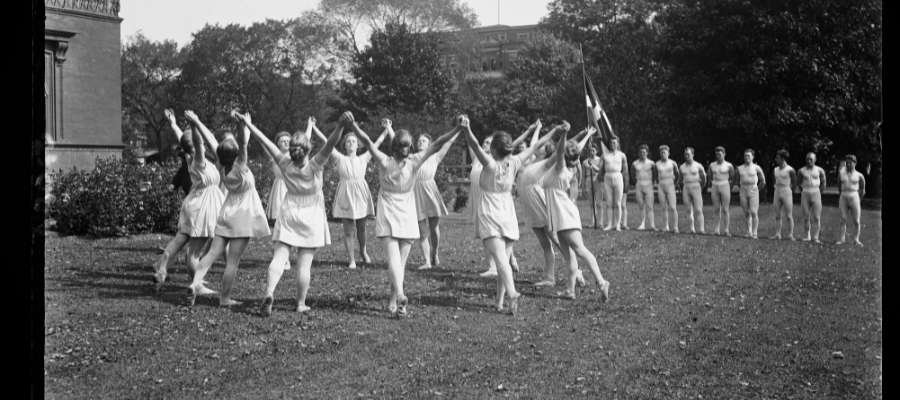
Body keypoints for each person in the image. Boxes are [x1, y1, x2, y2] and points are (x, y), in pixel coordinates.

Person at [353, 114, 460, 317]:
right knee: (399, 261)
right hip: (407, 210)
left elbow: (367, 141)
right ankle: (396, 301)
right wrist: (456, 129)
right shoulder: (414, 161)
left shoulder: (385, 160)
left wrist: (352, 125)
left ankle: (398, 298)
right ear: (408, 147)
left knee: (394, 259)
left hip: (390, 209)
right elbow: (437, 144)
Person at [239, 111, 343, 316]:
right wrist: (340, 126)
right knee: (304, 264)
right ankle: (300, 303)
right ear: (308, 149)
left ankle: (269, 292)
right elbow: (330, 144)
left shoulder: (284, 162)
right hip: (311, 214)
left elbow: (265, 140)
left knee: (279, 256)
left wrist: (248, 125)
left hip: (289, 211)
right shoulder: (314, 164)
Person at [461, 114, 558, 315]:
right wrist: (555, 131)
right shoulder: (514, 161)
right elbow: (537, 143)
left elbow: (475, 145)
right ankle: (499, 302)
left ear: (494, 149)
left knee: (501, 260)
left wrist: (467, 128)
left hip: (490, 212)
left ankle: (512, 292)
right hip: (507, 211)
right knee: (503, 259)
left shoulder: (489, 163)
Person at [190, 111, 271, 307]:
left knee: (211, 254)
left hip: (226, 213)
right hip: (242, 216)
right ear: (236, 155)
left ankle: (194, 284)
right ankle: (224, 298)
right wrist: (244, 126)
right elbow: (243, 144)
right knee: (232, 261)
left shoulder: (223, 166)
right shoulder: (240, 166)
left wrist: (197, 121)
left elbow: (211, 141)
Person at [151, 109, 224, 294]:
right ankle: (196, 285)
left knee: (181, 240)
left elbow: (185, 140)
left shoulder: (189, 156)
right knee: (194, 251)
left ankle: (162, 267)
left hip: (195, 202)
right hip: (203, 206)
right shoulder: (198, 159)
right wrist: (194, 124)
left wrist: (174, 124)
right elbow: (198, 143)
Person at [536, 128, 611, 300]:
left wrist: (563, 134)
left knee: (579, 250)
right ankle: (570, 290)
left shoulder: (559, 168)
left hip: (565, 214)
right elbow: (574, 149)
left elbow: (565, 149)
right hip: (561, 215)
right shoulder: (566, 165)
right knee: (569, 255)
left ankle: (601, 281)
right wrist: (586, 135)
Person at [310, 118, 389, 270]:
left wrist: (386, 130)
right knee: (348, 229)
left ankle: (363, 251)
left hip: (360, 193)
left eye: (354, 141)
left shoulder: (364, 157)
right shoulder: (340, 158)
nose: (351, 143)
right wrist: (314, 127)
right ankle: (351, 259)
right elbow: (327, 142)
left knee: (361, 227)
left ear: (358, 145)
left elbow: (376, 144)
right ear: (344, 146)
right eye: (348, 141)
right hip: (345, 193)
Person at [518, 126, 592, 287]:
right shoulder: (532, 160)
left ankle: (576, 272)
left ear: (548, 150)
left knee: (555, 237)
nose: (539, 145)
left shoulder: (549, 162)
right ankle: (549, 277)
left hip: (537, 198)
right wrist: (578, 133)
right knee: (544, 242)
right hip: (528, 202)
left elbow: (569, 148)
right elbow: (538, 142)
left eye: (544, 146)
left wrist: (580, 135)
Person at [410, 129, 461, 270]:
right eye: (419, 140)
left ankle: (435, 252)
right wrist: (389, 129)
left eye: (424, 140)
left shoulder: (435, 156)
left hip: (430, 191)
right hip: (415, 192)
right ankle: (426, 261)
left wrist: (458, 131)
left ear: (429, 144)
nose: (420, 142)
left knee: (434, 227)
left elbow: (447, 144)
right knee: (421, 230)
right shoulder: (412, 157)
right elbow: (397, 142)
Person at [598, 138, 629, 231]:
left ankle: (618, 224)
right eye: (611, 143)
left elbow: (625, 170)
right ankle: (610, 224)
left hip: (618, 176)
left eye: (614, 143)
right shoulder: (604, 155)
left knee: (618, 202)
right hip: (607, 177)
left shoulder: (622, 155)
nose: (612, 144)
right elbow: (600, 169)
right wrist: (600, 179)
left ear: (618, 144)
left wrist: (624, 181)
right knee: (609, 202)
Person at [837, 154, 866, 246]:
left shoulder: (859, 175)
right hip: (844, 196)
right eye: (847, 163)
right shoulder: (841, 173)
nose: (848, 165)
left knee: (857, 220)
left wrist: (859, 198)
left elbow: (863, 189)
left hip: (854, 196)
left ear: (855, 163)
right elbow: (838, 185)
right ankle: (842, 239)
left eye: (850, 163)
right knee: (843, 219)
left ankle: (856, 239)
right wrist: (841, 194)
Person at [265, 131, 292, 225]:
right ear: (278, 144)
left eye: (288, 140)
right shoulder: (274, 156)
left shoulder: (294, 155)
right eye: (283, 141)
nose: (286, 142)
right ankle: (278, 220)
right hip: (279, 183)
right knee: (278, 202)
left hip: (291, 183)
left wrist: (310, 126)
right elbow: (264, 143)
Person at [798, 152, 826, 243]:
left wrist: (819, 192)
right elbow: (799, 183)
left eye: (811, 159)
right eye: (807, 159)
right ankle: (807, 236)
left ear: (815, 160)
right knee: (806, 216)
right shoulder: (801, 171)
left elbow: (823, 182)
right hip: (805, 193)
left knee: (817, 217)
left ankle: (816, 237)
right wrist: (803, 190)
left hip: (816, 193)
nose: (809, 161)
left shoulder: (820, 170)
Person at [737, 149, 766, 238]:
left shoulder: (756, 168)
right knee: (746, 212)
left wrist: (757, 189)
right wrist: (741, 187)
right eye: (745, 156)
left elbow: (763, 181)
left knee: (753, 212)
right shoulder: (739, 168)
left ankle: (754, 233)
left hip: (753, 189)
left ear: (752, 157)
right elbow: (737, 180)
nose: (746, 157)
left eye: (748, 156)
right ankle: (748, 231)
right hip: (743, 190)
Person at [707, 146, 735, 236]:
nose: (718, 155)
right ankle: (716, 229)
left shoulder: (729, 165)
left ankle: (726, 230)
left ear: (724, 154)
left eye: (720, 154)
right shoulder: (712, 165)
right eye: (717, 154)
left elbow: (732, 177)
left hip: (725, 185)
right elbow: (709, 176)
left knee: (725, 209)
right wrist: (710, 186)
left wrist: (729, 187)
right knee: (716, 209)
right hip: (715, 186)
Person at [770, 149, 797, 240]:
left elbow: (794, 183)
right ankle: (778, 234)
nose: (776, 159)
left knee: (789, 215)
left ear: (782, 159)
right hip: (777, 191)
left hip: (786, 191)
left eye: (777, 158)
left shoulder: (790, 170)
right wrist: (776, 188)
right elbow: (774, 180)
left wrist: (789, 191)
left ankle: (790, 234)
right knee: (777, 215)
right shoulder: (775, 169)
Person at [680, 147, 707, 234]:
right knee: (688, 209)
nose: (686, 156)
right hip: (686, 187)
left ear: (693, 155)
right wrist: (683, 188)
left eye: (688, 154)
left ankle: (701, 229)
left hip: (696, 186)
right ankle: (691, 229)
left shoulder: (698, 165)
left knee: (698, 209)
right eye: (685, 154)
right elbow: (680, 179)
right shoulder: (682, 167)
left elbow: (704, 178)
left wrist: (701, 187)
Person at [656, 145, 680, 233]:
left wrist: (675, 183)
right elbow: (655, 175)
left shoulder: (673, 163)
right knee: (663, 207)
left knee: (673, 207)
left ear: (668, 153)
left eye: (664, 152)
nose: (663, 154)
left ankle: (675, 227)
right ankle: (665, 226)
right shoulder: (657, 164)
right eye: (661, 152)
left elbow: (677, 174)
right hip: (661, 185)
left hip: (670, 185)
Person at [632, 144, 657, 230]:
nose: (642, 154)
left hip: (648, 185)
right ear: (639, 153)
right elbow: (632, 175)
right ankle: (642, 224)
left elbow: (655, 174)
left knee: (650, 206)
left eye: (644, 152)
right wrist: (636, 182)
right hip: (639, 185)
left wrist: (653, 183)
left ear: (647, 153)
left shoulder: (651, 163)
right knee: (641, 205)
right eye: (641, 152)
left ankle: (652, 225)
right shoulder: (635, 163)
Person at [582, 145, 607, 228]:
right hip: (589, 180)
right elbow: (583, 176)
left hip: (598, 180)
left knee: (599, 203)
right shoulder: (585, 162)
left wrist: (592, 165)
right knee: (591, 204)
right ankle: (592, 222)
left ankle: (600, 223)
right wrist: (583, 186)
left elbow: (600, 170)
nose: (591, 152)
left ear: (596, 151)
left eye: (593, 150)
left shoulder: (600, 160)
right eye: (590, 151)